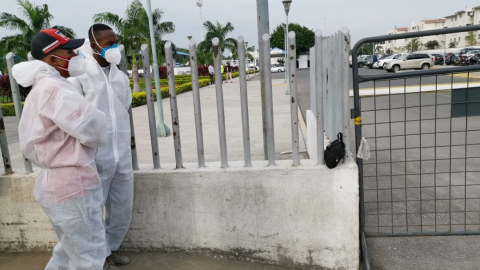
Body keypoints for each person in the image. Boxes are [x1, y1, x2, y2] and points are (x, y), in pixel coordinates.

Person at [12, 29, 108, 269]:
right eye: (69, 51)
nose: (76, 55)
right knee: (89, 257)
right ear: (52, 59)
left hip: (57, 185)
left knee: (67, 252)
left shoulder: (43, 87)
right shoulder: (57, 89)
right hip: (74, 184)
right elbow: (94, 130)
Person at [69, 23, 133, 270]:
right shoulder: (82, 76)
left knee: (121, 208)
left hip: (122, 154)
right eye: (109, 44)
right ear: (94, 45)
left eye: (116, 42)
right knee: (94, 211)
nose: (115, 47)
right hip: (96, 155)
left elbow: (124, 109)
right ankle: (99, 258)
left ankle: (111, 248)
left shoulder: (120, 77)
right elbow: (76, 115)